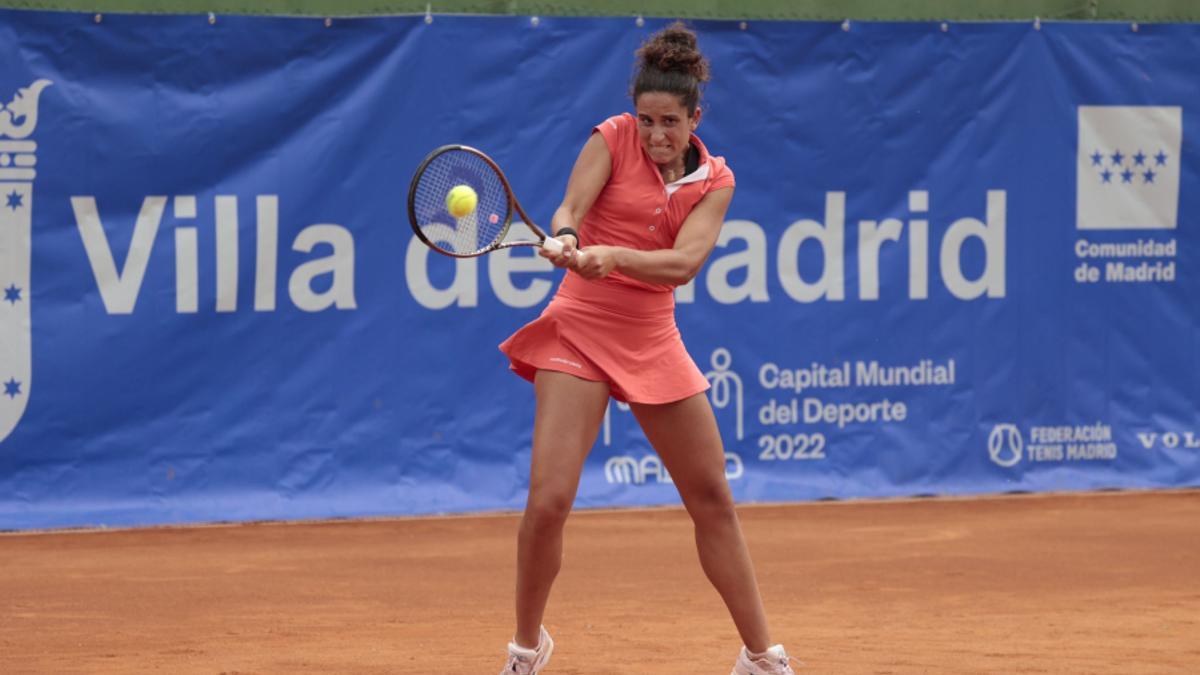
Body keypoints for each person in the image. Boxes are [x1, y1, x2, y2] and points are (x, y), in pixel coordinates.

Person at [496, 22, 798, 675]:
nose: (655, 134)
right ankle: (526, 646)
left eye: (669, 121)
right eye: (647, 120)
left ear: (695, 117)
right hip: (578, 324)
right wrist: (571, 237)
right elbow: (569, 207)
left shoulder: (717, 181)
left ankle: (759, 654)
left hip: (652, 333)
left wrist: (615, 255)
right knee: (548, 500)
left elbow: (684, 262)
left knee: (711, 495)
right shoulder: (612, 137)